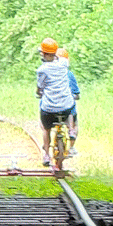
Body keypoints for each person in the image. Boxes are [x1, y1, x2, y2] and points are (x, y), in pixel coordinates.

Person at [35, 37, 76, 166]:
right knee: (69, 106)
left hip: (49, 108)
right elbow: (63, 58)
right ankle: (71, 130)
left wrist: (38, 92)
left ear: (43, 54)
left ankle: (47, 155)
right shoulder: (64, 64)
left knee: (46, 129)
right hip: (65, 106)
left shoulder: (42, 70)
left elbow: (40, 86)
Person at [57, 47, 80, 155]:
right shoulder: (69, 74)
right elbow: (76, 93)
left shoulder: (49, 72)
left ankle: (47, 148)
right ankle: (71, 147)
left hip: (50, 108)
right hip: (68, 110)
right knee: (75, 124)